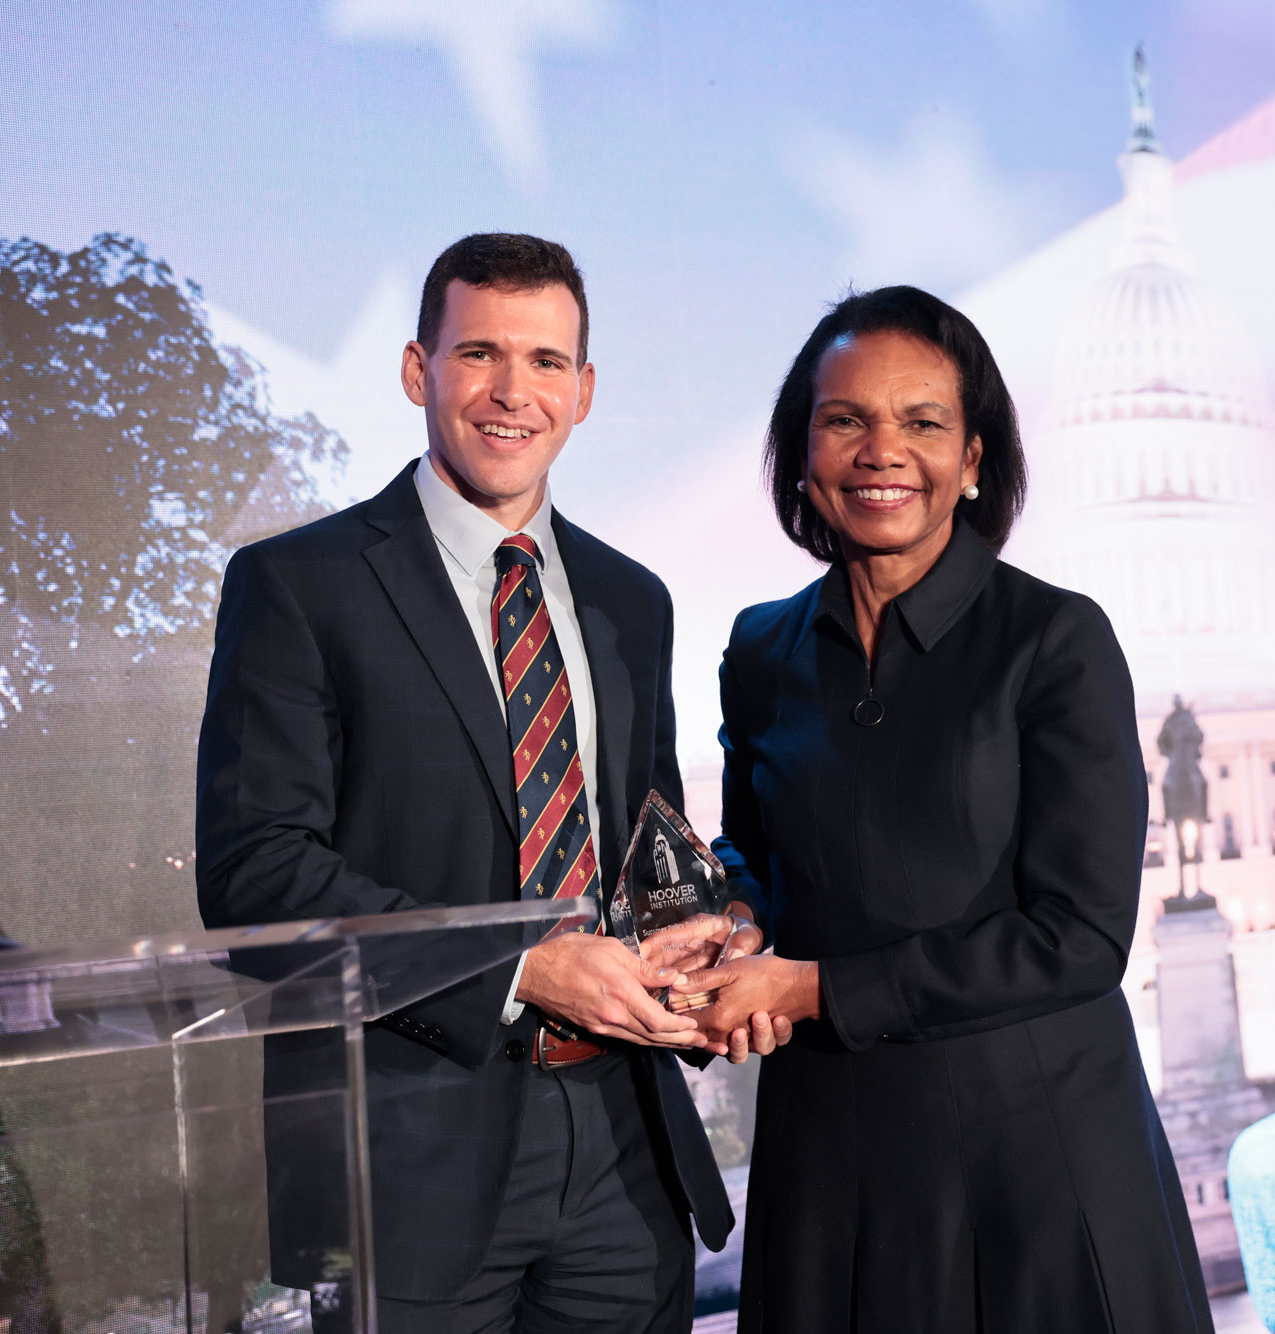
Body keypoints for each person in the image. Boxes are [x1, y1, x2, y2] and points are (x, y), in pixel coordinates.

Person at [196, 233, 775, 1332]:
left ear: (584, 391)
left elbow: (648, 844)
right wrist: (521, 968)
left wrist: (707, 932)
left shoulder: (631, 599)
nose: (514, 391)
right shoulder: (298, 585)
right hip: (411, 1167)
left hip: (626, 1152)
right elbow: (254, 874)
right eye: (479, 354)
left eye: (546, 361)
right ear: (418, 370)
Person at [682, 286, 1216, 1332]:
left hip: (1034, 1166)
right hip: (825, 1160)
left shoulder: (1056, 640)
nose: (881, 451)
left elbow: (1079, 936)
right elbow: (752, 847)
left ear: (973, 459)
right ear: (802, 453)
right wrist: (737, 917)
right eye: (845, 420)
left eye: (921, 422)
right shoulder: (758, 648)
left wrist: (812, 988)